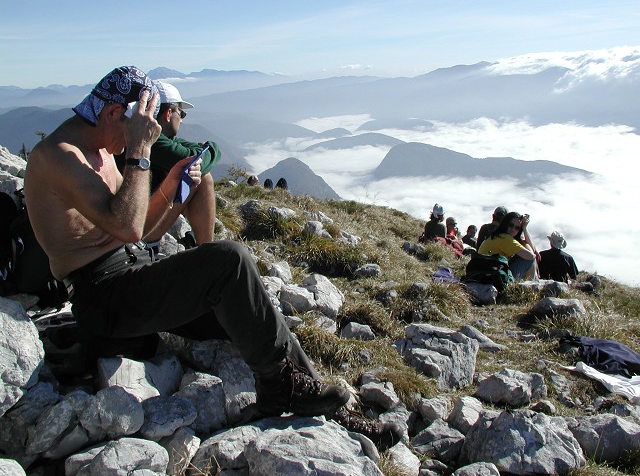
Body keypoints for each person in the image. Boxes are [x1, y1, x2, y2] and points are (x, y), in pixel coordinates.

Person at [23, 66, 399, 448]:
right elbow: (129, 227)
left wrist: (171, 185)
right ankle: (283, 389)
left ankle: (322, 405)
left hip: (131, 273)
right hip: (102, 296)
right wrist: (140, 152)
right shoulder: (57, 157)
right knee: (228, 261)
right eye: (139, 127)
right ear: (112, 113)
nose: (140, 137)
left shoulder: (102, 150)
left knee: (253, 311)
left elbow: (141, 231)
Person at [126, 81, 221, 249]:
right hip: (135, 231)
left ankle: (203, 248)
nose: (182, 119)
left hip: (135, 220)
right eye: (181, 113)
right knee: (201, 176)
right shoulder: (151, 141)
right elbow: (191, 159)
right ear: (168, 113)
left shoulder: (153, 138)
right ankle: (206, 251)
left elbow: (187, 149)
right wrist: (212, 147)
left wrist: (202, 151)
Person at [477, 211, 538, 280]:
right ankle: (531, 283)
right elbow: (531, 256)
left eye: (517, 228)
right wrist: (524, 230)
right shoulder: (505, 238)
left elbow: (532, 251)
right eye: (511, 225)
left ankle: (533, 281)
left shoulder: (497, 235)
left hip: (485, 273)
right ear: (505, 224)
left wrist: (524, 228)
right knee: (529, 260)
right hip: (494, 276)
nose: (513, 229)